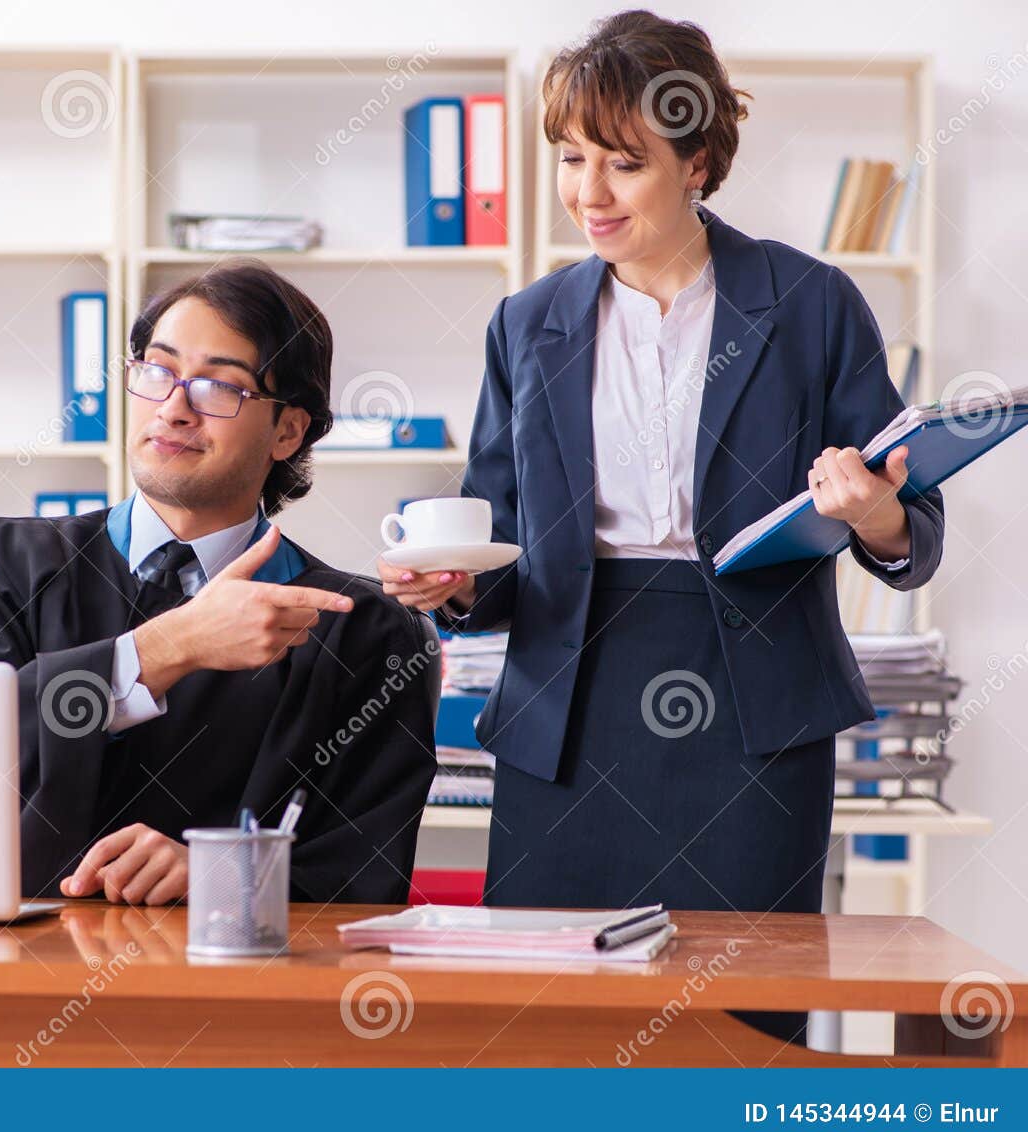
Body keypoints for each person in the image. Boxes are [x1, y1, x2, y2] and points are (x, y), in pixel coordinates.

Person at [378, 10, 944, 1044]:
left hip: (754, 713)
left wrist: (877, 514)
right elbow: (498, 540)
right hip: (567, 710)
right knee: (552, 1030)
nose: (586, 193)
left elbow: (908, 526)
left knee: (743, 1026)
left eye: (623, 163)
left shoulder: (809, 303)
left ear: (698, 160)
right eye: (569, 158)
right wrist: (453, 586)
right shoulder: (527, 323)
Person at [0, 260, 438, 907]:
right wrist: (167, 647)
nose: (174, 409)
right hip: (1, 979)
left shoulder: (362, 630)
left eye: (219, 387)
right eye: (157, 371)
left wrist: (217, 875)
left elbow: (365, 873)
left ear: (288, 431)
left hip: (229, 995)